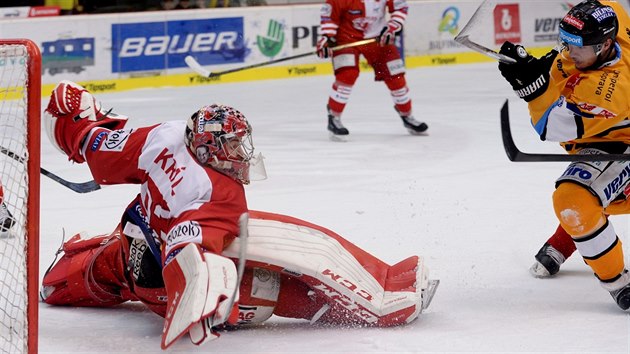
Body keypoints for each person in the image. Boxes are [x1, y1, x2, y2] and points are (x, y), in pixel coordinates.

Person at [39, 80, 439, 349]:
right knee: (266, 285)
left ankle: (85, 264)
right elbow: (186, 247)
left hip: (128, 248)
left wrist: (73, 117)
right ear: (211, 148)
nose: (241, 154)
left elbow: (93, 143)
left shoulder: (165, 134)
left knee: (54, 287)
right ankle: (380, 301)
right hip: (156, 283)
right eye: (233, 145)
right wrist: (196, 300)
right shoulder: (220, 193)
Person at [497, 0, 630, 310]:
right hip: (605, 141)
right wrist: (538, 68)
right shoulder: (612, 23)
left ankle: (619, 283)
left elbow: (555, 126)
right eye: (564, 43)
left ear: (605, 45)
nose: (567, 53)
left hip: (620, 145)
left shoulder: (612, 89)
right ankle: (566, 241)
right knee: (593, 191)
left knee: (576, 201)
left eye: (575, 47)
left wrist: (532, 88)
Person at [317, 0, 428, 141]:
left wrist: (393, 27)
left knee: (396, 76)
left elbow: (400, 6)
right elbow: (329, 18)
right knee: (347, 74)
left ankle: (407, 116)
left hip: (378, 39)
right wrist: (326, 39)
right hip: (346, 40)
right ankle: (334, 117)